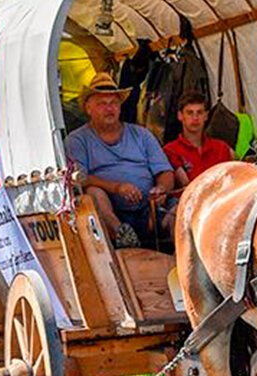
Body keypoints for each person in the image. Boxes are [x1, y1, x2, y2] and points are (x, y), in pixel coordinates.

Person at [65, 71, 176, 248]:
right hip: (109, 210)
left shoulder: (142, 134)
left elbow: (165, 171)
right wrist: (117, 187)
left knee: (181, 209)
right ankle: (122, 236)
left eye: (114, 103)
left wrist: (161, 189)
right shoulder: (78, 139)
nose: (109, 108)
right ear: (88, 108)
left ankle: (183, 261)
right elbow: (79, 177)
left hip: (149, 208)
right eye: (102, 104)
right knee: (93, 193)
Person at [163, 91, 234, 188]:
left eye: (200, 112)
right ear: (180, 116)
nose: (195, 118)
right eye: (190, 113)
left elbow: (231, 179)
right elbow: (186, 185)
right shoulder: (170, 150)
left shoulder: (221, 148)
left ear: (206, 116)